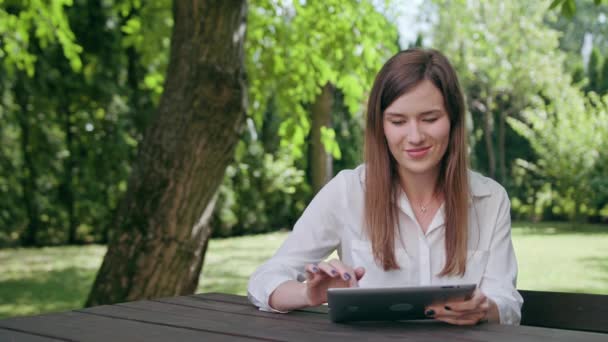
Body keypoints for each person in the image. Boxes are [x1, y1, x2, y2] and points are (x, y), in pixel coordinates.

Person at [247, 48, 523, 325]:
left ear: (453, 120)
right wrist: (308, 293)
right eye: (398, 121)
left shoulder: (490, 199)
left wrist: (483, 309)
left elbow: (507, 301)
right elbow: (266, 278)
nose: (415, 136)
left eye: (430, 119)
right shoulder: (347, 191)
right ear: (380, 126)